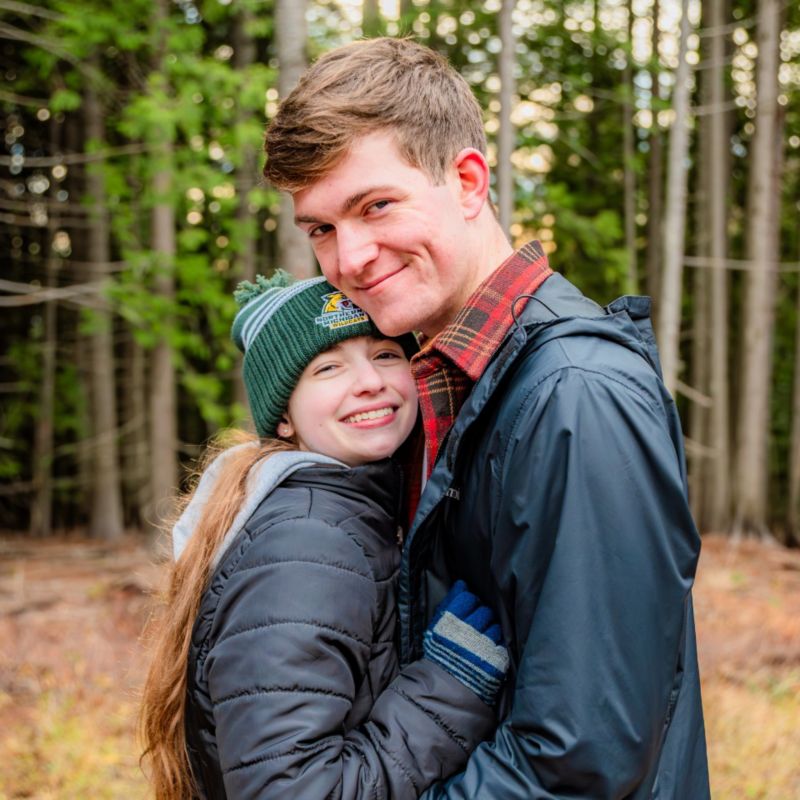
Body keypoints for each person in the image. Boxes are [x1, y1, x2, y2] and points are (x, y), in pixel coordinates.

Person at [264, 37, 710, 799]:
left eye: (376, 206)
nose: (349, 259)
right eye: (322, 229)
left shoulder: (575, 396)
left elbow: (581, 759)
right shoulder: (435, 381)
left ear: (468, 181)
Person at [139, 271, 511, 799]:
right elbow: (289, 791)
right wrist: (449, 686)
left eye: (385, 354)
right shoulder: (307, 541)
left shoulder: (341, 511)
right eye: (328, 367)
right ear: (283, 418)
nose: (370, 381)